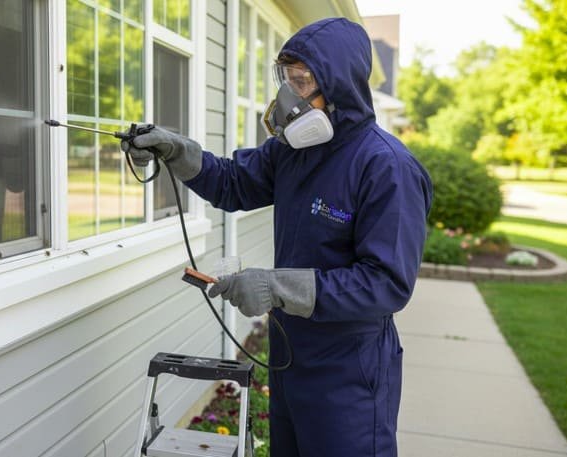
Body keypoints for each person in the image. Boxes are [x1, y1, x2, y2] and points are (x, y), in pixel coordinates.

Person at [122, 17, 432, 457]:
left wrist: (275, 286)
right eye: (286, 79)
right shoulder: (292, 151)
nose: (288, 95)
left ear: (339, 86)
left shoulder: (387, 168)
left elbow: (387, 283)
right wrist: (178, 151)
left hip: (350, 373)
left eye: (302, 81)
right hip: (290, 358)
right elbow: (231, 183)